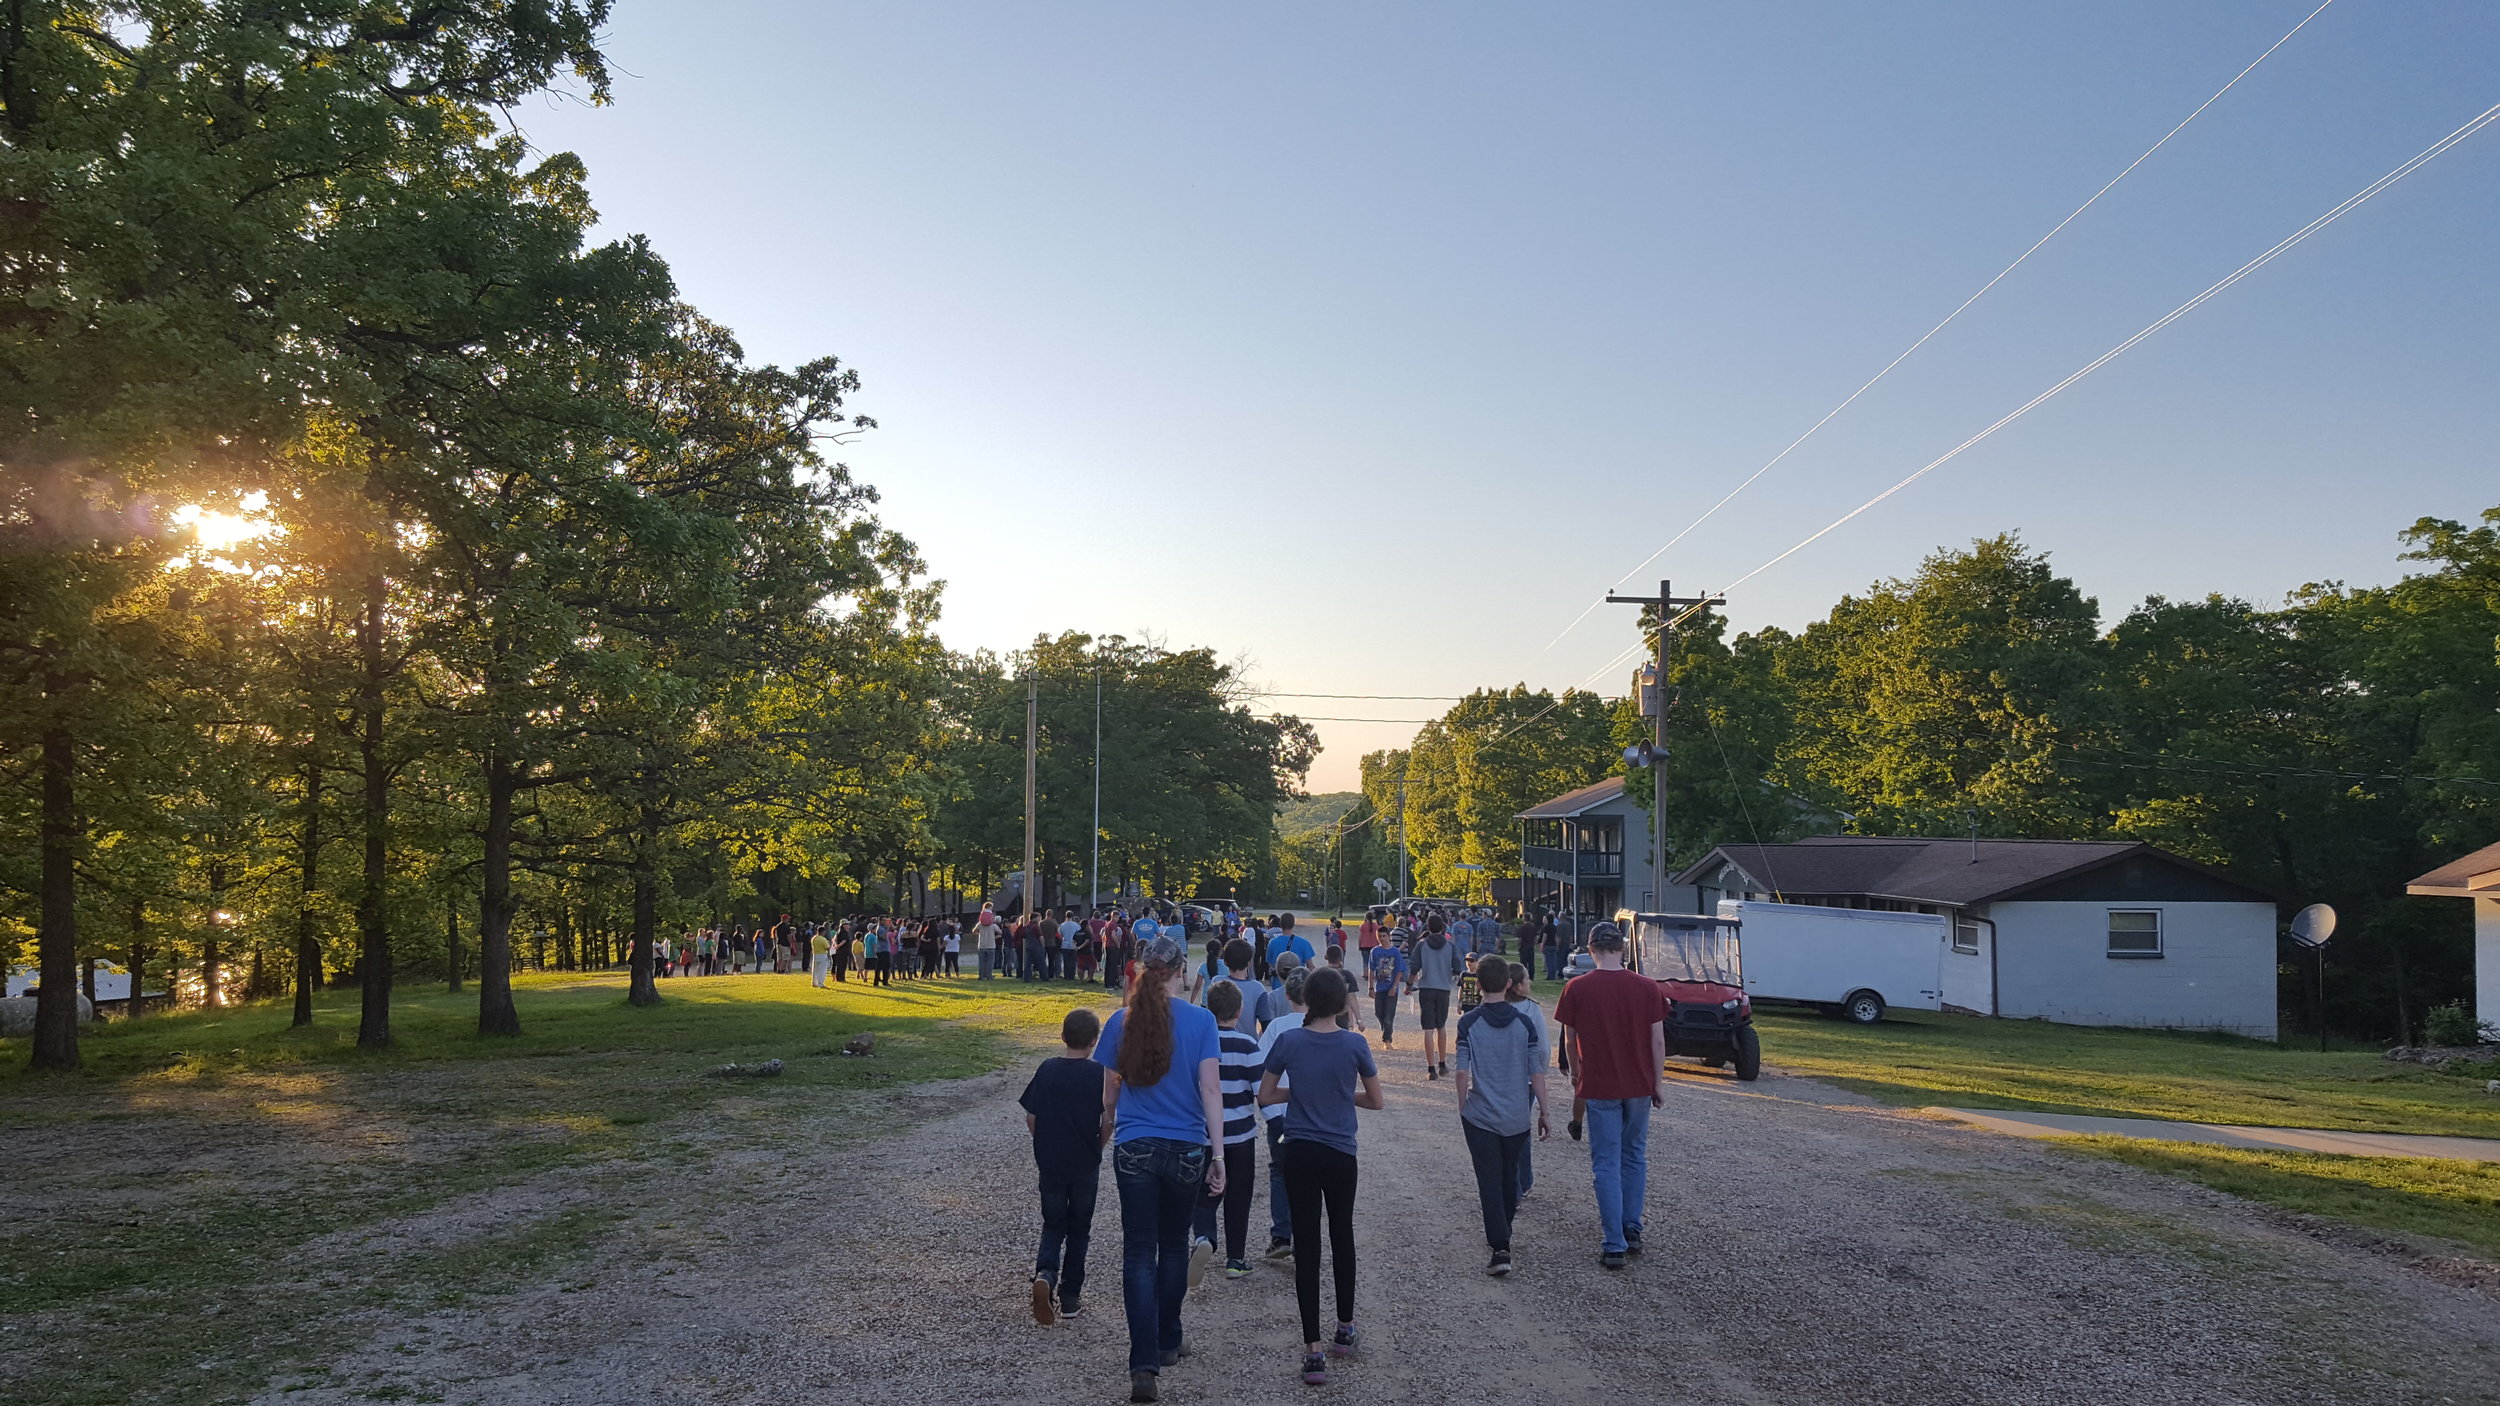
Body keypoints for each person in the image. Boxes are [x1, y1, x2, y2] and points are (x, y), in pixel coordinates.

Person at [1094, 936, 1225, 1404]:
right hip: (1187, 1148)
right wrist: (1219, 1153)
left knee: (1137, 1252)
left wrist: (1109, 1123)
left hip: (1135, 1147)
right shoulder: (1202, 1020)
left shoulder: (1119, 1021)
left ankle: (1143, 1361)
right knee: (1173, 1248)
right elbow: (1211, 1090)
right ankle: (1169, 1336)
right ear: (1179, 970)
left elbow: (1109, 1092)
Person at [1258, 968, 1382, 1387]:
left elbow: (1266, 1095)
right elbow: (1376, 1100)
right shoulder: (1354, 1044)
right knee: (1342, 1235)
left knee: (1308, 1245)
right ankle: (1344, 1328)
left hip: (1299, 1150)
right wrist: (1335, 1092)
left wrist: (1303, 1091)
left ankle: (1312, 1351)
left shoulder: (1289, 1040)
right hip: (1339, 1152)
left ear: (1306, 1001)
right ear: (1341, 1003)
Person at [1551, 920, 1667, 1270]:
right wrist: (1658, 1083)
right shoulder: (1647, 988)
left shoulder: (1577, 988)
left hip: (1600, 1084)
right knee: (1634, 1156)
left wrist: (1576, 1074)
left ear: (1591, 951)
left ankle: (1613, 1242)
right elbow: (1658, 1040)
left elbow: (1570, 1040)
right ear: (1622, 949)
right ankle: (1632, 1227)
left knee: (1605, 1162)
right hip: (1638, 1084)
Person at [1455, 953, 1549, 1276]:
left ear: (1478, 985)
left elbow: (1461, 1071)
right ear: (1509, 984)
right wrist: (1544, 1111)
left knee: (1488, 1179)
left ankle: (1500, 1245)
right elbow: (1536, 1071)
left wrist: (1461, 1103)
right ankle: (1503, 1229)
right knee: (1509, 1176)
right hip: (1516, 1114)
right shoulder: (1524, 1023)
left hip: (1480, 1114)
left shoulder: (1468, 1023)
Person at [1023, 1007, 1110, 1325]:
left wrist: (1043, 1143)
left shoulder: (1047, 1070)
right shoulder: (1098, 1073)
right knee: (1079, 1230)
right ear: (1094, 1041)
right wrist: (1097, 1146)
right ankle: (1070, 1296)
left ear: (1063, 1037)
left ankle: (1045, 1273)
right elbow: (1108, 1119)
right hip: (1085, 1163)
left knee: (1053, 1224)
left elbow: (1031, 1117)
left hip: (1051, 1162)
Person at [1193, 979, 1263, 1281]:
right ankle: (1236, 1258)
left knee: (1203, 1194)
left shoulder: (1199, 1044)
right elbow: (1262, 1090)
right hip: (1241, 1136)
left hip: (1205, 1134)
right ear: (1240, 1010)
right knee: (1239, 1196)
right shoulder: (1248, 1045)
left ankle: (1204, 1237)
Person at [1254, 967, 1307, 1260]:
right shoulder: (1323, 1026)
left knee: (1280, 1171)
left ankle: (1281, 1235)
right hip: (1312, 1116)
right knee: (1309, 1177)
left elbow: (1260, 1071)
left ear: (1287, 995)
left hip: (1281, 1115)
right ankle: (1305, 1236)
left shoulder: (1276, 1028)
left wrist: (1271, 1112)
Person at [1410, 915, 1461, 1080]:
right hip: (1443, 989)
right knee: (1441, 1026)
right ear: (1442, 928)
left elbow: (1414, 967)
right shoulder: (1450, 946)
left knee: (1428, 1028)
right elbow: (1457, 968)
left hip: (1426, 988)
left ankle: (1431, 1068)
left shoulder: (1421, 945)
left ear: (1428, 927)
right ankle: (1443, 1063)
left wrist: (1409, 985)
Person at [1364, 936, 1409, 1046]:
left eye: (1384, 936)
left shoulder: (1395, 952)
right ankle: (1386, 1029)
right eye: (1379, 936)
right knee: (1379, 1013)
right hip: (1380, 987)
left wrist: (1394, 987)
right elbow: (1371, 969)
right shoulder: (1374, 951)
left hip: (1391, 988)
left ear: (1389, 937)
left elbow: (1400, 971)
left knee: (1389, 1015)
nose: (1382, 938)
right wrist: (1370, 987)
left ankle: (1387, 1039)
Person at [1253, 950, 1303, 1033]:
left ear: (1277, 971)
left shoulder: (1273, 996)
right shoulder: (1308, 994)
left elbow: (1268, 1025)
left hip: (1279, 1039)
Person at [974, 904, 1002, 980]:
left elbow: (974, 931)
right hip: (991, 945)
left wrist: (979, 933)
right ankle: (989, 975)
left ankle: (981, 976)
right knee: (990, 962)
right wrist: (995, 937)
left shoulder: (980, 924)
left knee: (982, 962)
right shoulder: (993, 925)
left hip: (982, 945)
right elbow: (1000, 932)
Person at [810, 923, 832, 988]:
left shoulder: (813, 938)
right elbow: (827, 947)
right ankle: (820, 983)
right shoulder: (823, 939)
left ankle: (814, 982)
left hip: (815, 954)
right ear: (823, 932)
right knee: (822, 970)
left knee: (815, 970)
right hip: (822, 954)